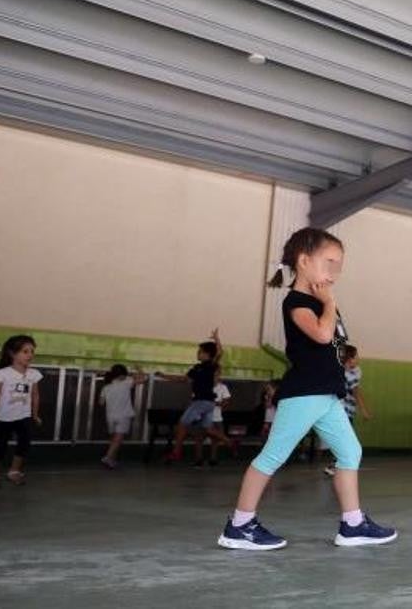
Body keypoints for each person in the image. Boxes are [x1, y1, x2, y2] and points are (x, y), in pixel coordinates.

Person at [219, 227, 396, 550]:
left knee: (350, 452)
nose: (335, 272)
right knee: (272, 456)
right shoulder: (298, 301)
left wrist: (342, 348)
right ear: (303, 261)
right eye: (329, 262)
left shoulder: (323, 303)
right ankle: (240, 525)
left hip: (327, 395)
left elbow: (338, 343)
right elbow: (321, 334)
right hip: (305, 393)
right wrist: (328, 303)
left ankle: (353, 524)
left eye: (339, 265)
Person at [161, 329, 232, 463]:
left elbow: (220, 352)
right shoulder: (196, 368)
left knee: (182, 424)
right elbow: (184, 379)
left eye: (200, 351)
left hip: (202, 401)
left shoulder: (210, 365)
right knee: (208, 428)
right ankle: (229, 441)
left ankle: (176, 452)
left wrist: (216, 339)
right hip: (208, 404)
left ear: (207, 355)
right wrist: (165, 376)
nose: (197, 353)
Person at [0, 335, 43, 487]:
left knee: (24, 442)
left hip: (23, 416)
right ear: (12, 354)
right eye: (25, 351)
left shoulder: (33, 374)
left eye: (32, 351)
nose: (30, 355)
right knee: (0, 445)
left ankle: (14, 471)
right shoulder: (3, 373)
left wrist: (35, 414)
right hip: (3, 417)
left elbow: (35, 395)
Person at [323, 344, 371, 477]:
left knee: (343, 439)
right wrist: (364, 410)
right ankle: (336, 465)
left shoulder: (355, 371)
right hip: (341, 410)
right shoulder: (345, 373)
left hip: (346, 410)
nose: (358, 358)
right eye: (356, 356)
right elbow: (356, 392)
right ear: (349, 359)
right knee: (346, 440)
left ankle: (336, 464)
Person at [98, 364, 148, 469]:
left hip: (110, 416)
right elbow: (144, 379)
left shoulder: (106, 387)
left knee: (114, 440)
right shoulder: (127, 382)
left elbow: (101, 402)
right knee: (118, 440)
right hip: (123, 416)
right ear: (122, 375)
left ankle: (111, 461)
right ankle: (107, 457)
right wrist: (139, 369)